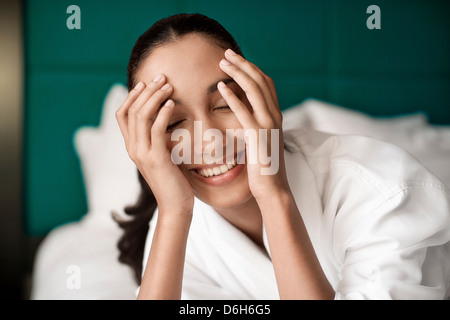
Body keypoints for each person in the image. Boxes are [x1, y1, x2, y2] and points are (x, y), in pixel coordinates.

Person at [114, 13, 450, 300]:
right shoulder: (179, 224)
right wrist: (173, 212)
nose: (211, 142)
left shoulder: (383, 192)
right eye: (173, 122)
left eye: (225, 104)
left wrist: (273, 195)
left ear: (260, 97)